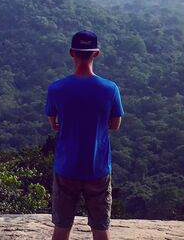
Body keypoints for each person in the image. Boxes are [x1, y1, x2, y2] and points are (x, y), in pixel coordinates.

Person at [44, 30, 124, 240]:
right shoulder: (110, 89)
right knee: (100, 228)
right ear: (96, 54)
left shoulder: (56, 88)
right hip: (97, 169)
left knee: (61, 228)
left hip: (66, 168)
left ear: (72, 53)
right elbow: (115, 125)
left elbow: (54, 125)